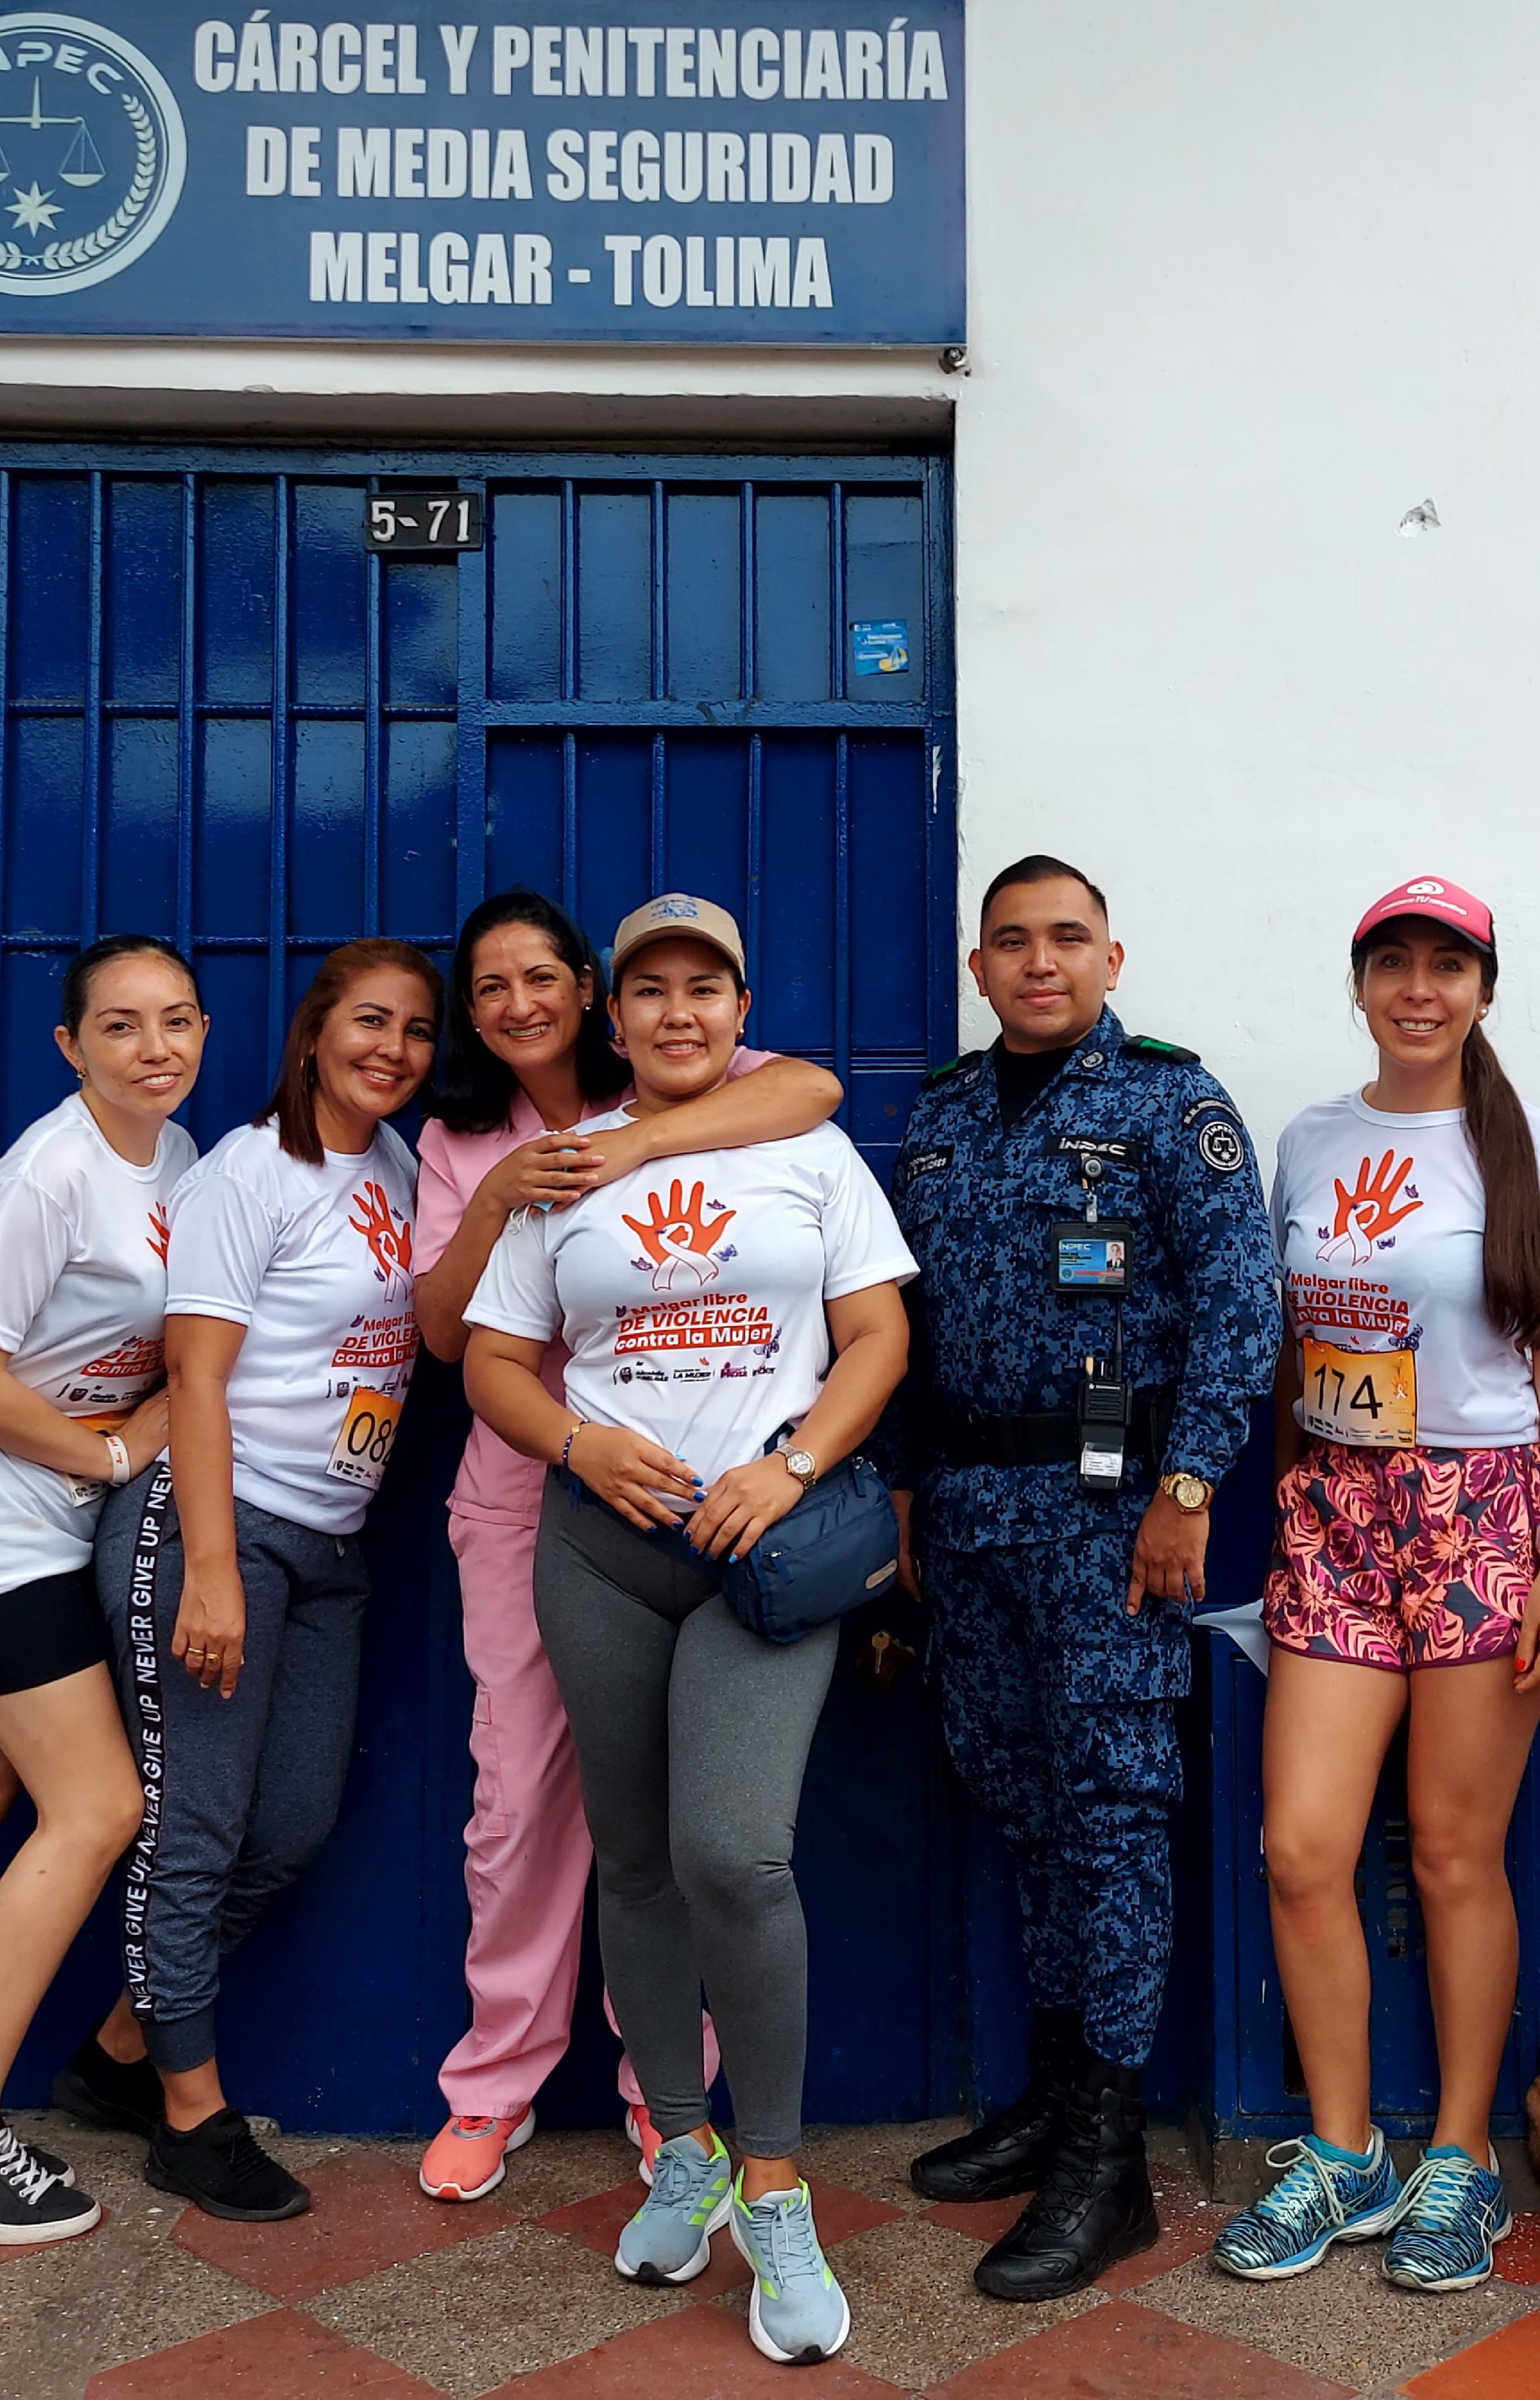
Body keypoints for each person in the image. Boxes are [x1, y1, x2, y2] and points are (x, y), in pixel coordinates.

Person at [461, 893, 914, 2368]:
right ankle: (682, 2147)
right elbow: (492, 1360)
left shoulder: (810, 1149)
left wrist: (790, 1464)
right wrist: (574, 1446)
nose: (675, 1013)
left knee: (736, 1851)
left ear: (739, 1009)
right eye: (648, 990)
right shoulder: (564, 1172)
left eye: (702, 989)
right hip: (600, 1552)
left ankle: (773, 2182)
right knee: (636, 1858)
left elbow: (880, 1334)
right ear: (617, 1015)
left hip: (759, 1555)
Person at [410, 887, 846, 2203]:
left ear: (586, 989)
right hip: (536, 1490)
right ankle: (496, 2077)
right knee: (522, 1802)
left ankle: (674, 2104)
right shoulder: (460, 1134)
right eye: (491, 986)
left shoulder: (672, 1057)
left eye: (542, 974)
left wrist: (627, 1145)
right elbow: (445, 1336)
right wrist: (497, 1195)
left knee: (702, 1823)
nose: (520, 1002)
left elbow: (811, 1092)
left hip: (717, 1499)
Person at [1211, 876, 1540, 2294]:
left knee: (1452, 1853)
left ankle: (1458, 2156)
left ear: (1485, 990)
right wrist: (1283, 1510)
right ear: (1361, 981)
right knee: (1307, 1845)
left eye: (1450, 965)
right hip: (1331, 1505)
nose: (1421, 988)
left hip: (1478, 1511)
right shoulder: (1309, 1139)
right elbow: (1280, 1343)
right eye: (1395, 962)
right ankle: (1342, 2152)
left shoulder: (1535, 1148)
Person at [885, 856, 1281, 2300]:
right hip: (975, 1511)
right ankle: (1059, 2097)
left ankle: (1108, 2163)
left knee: (1114, 1816)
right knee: (1028, 1805)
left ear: (1114, 955)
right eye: (1012, 942)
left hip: (1116, 1516)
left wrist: (1189, 1486)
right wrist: (914, 1491)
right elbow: (909, 1325)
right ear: (980, 968)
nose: (1040, 961)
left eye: (1067, 938)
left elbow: (1245, 1297)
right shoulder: (936, 1116)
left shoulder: (1173, 1104)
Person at [55, 938, 439, 2223]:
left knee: (285, 1831)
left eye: (417, 1030)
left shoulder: (390, 1163)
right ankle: (189, 2115)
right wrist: (207, 1569)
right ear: (313, 1031)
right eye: (369, 1021)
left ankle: (118, 2053)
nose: (392, 1048)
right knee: (196, 1831)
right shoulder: (249, 1172)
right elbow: (197, 1378)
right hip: (219, 1529)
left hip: (331, 1542)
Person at [0, 936, 207, 2246]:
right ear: (72, 1047)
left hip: (25, 1526)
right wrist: (116, 1449)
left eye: (177, 1020)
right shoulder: (49, 1175)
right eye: (121, 1026)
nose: (156, 1046)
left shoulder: (173, 1158)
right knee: (100, 1802)